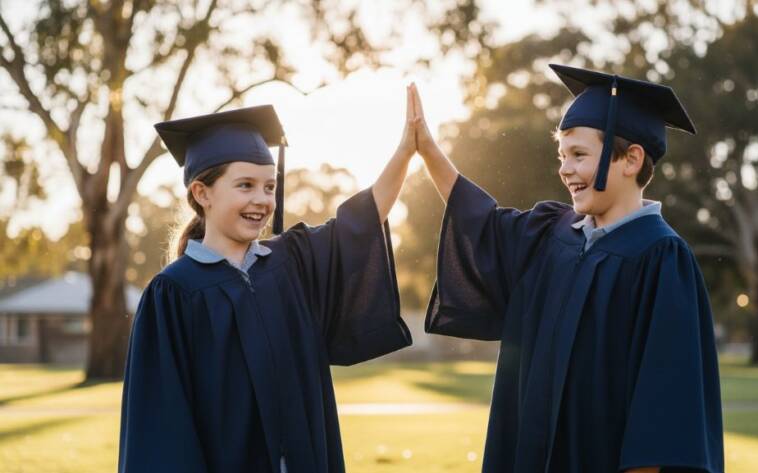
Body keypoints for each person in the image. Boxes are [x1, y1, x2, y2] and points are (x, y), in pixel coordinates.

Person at [414, 66, 724, 473]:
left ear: (631, 159)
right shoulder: (549, 235)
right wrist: (428, 151)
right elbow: (482, 223)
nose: (564, 169)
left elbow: (663, 411)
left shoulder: (661, 259)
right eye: (562, 156)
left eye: (579, 155)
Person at [119, 90, 420, 473]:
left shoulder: (292, 263)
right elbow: (161, 426)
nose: (261, 199)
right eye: (244, 185)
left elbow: (361, 221)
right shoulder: (174, 293)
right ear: (202, 192)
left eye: (269, 186)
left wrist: (405, 152)